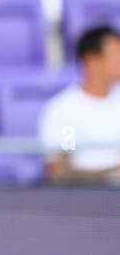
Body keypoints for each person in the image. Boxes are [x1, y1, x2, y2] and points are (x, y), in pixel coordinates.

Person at [39, 25, 120, 185]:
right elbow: (60, 171)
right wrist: (110, 175)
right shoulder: (66, 111)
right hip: (86, 200)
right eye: (115, 55)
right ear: (91, 61)